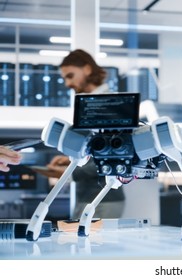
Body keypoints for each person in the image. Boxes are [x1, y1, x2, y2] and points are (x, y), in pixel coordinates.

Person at [37, 49, 125, 219]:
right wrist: (68, 160)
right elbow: (94, 147)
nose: (67, 83)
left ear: (87, 69)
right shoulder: (89, 104)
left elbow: (114, 154)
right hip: (86, 197)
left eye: (70, 76)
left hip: (104, 199)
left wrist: (67, 173)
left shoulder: (109, 103)